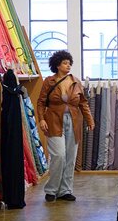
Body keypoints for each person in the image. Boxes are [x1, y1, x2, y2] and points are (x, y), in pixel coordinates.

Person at [37, 50, 94, 202]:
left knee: (70, 157)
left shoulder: (76, 81)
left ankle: (65, 190)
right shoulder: (49, 81)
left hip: (74, 121)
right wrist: (41, 119)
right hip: (54, 120)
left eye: (69, 63)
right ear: (57, 65)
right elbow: (41, 102)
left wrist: (90, 120)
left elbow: (83, 103)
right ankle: (51, 189)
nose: (68, 66)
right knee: (59, 155)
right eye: (65, 63)